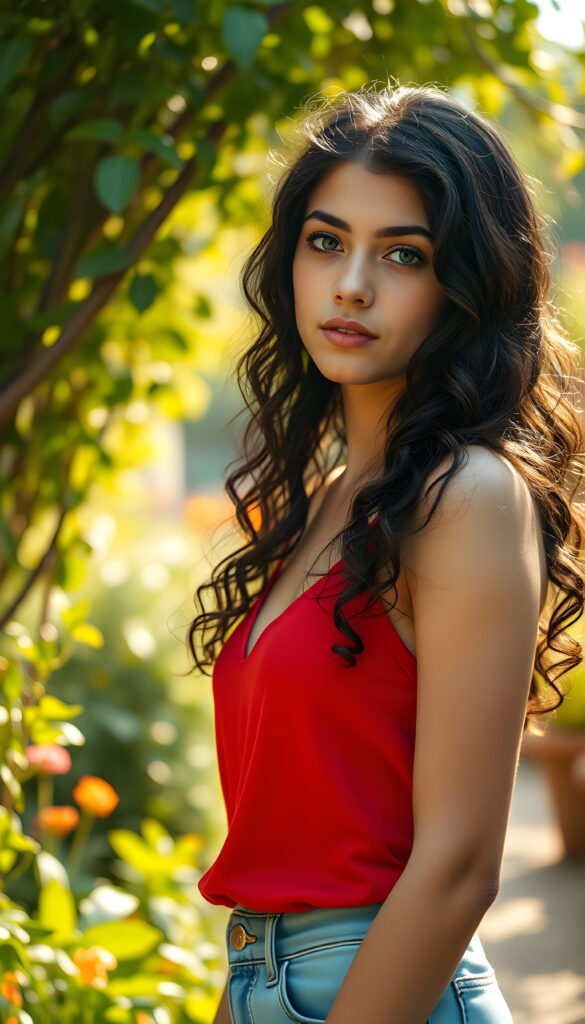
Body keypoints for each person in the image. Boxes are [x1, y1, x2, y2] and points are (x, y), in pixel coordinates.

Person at [188, 82, 585, 1024]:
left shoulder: (465, 497)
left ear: (467, 284)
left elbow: (455, 867)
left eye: (401, 255)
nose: (351, 283)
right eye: (326, 242)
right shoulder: (325, 501)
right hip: (264, 980)